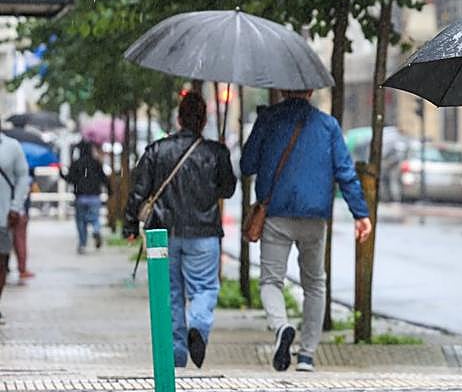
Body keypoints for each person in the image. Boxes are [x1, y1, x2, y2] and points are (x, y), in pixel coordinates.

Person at [241, 89, 371, 373]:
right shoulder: (328, 125)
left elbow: (246, 164)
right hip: (314, 217)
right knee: (314, 284)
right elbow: (345, 172)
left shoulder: (269, 119)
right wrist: (360, 213)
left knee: (271, 281)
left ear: (283, 90)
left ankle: (281, 327)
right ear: (311, 91)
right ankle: (307, 355)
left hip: (276, 214)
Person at [124, 93, 237, 369]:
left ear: (179, 118)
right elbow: (228, 189)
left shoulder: (156, 150)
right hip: (204, 233)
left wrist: (129, 225)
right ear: (205, 120)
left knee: (170, 291)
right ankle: (197, 324)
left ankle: (176, 352)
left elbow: (139, 192)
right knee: (206, 287)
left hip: (163, 233)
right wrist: (220, 158)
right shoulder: (215, 152)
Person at [0, 132, 30, 318]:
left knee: (1, 263)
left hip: (2, 216)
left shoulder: (11, 146)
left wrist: (15, 206)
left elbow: (22, 176)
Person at [62, 139, 109, 254]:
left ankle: (82, 244)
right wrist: (110, 190)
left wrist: (61, 174)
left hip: (80, 197)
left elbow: (70, 179)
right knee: (95, 218)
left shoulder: (76, 163)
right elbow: (104, 178)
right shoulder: (96, 163)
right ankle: (96, 230)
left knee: (81, 222)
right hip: (95, 197)